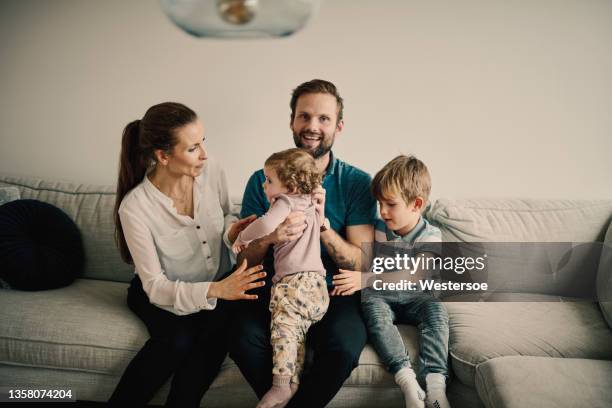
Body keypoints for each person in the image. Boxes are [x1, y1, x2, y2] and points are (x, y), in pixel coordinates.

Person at [229, 79, 377, 408]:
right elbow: (248, 262)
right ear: (292, 121)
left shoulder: (355, 183)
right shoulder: (262, 180)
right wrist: (270, 238)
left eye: (323, 118)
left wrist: (321, 227)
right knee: (241, 336)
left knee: (345, 345)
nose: (312, 126)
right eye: (304, 116)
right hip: (276, 283)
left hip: (334, 290)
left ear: (339, 126)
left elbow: (362, 261)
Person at [108, 102, 266, 408]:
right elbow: (155, 286)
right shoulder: (135, 208)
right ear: (163, 156)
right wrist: (216, 290)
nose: (204, 154)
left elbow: (224, 217)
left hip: (219, 289)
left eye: (203, 142)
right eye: (193, 148)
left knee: (211, 340)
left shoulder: (212, 171)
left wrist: (232, 232)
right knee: (176, 341)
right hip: (161, 292)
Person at [335, 155, 451, 408]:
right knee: (373, 309)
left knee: (437, 311)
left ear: (416, 204)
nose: (382, 211)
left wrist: (365, 278)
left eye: (390, 204)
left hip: (417, 296)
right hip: (382, 296)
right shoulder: (376, 228)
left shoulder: (431, 236)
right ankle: (407, 380)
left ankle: (435, 386)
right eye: (379, 203)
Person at [232, 148, 329, 408]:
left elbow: (264, 225)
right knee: (295, 332)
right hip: (317, 284)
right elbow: (322, 224)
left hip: (294, 283)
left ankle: (280, 386)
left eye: (269, 180)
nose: (264, 185)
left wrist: (242, 238)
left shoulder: (284, 202)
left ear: (290, 184)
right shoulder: (310, 199)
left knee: (283, 330)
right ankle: (294, 381)